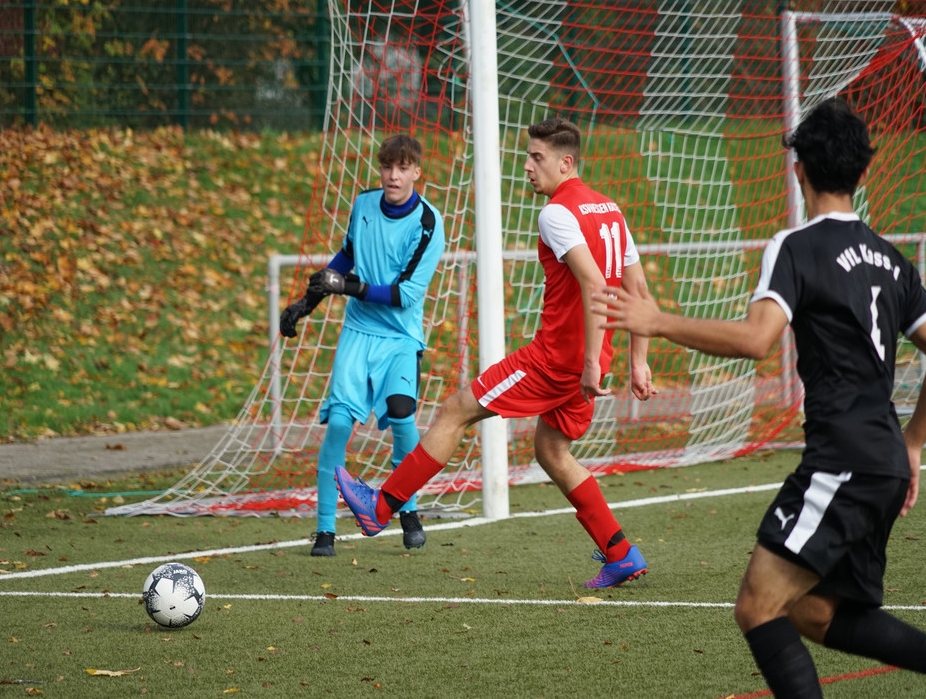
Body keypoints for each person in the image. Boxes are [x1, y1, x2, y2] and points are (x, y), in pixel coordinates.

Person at [592, 98, 926, 697]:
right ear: (863, 172)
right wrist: (913, 444)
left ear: (799, 170)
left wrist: (657, 321)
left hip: (843, 459)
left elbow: (756, 340)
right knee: (816, 611)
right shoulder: (892, 259)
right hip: (884, 463)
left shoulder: (795, 246)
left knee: (758, 606)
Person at [335, 117, 658, 588]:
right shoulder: (609, 209)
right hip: (590, 358)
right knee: (552, 450)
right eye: (528, 155)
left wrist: (589, 362)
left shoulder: (556, 213)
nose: (527, 166)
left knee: (454, 410)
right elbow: (639, 290)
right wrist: (637, 361)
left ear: (566, 162)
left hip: (557, 361)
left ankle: (380, 507)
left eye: (537, 157)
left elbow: (594, 285)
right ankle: (620, 551)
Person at [280, 134, 446, 557]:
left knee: (403, 415)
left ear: (417, 172)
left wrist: (348, 287)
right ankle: (325, 530)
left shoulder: (428, 223)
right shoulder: (364, 204)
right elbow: (345, 257)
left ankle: (407, 507)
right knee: (339, 425)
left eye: (403, 168)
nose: (393, 176)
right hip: (358, 334)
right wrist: (305, 304)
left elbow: (405, 295)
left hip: (400, 338)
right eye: (387, 167)